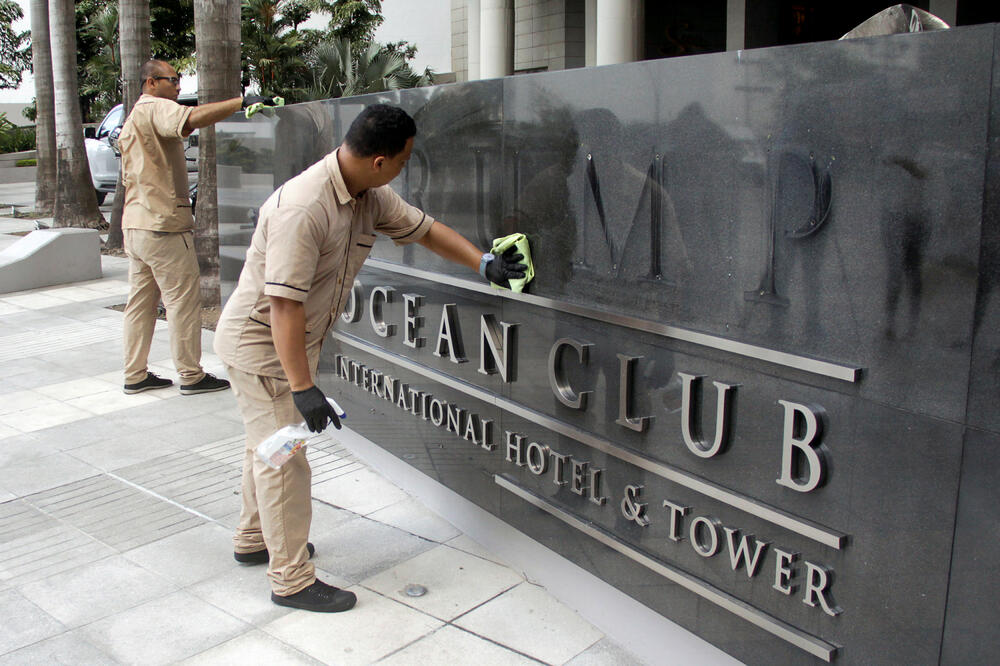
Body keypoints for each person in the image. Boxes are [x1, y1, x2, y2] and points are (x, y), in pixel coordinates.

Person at [213, 103, 526, 612]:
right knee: (285, 460)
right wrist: (301, 386)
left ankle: (254, 538)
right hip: (263, 347)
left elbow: (424, 229)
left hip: (284, 346)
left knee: (265, 448)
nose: (405, 167)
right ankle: (291, 579)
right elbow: (284, 306)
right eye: (403, 159)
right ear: (378, 159)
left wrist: (483, 262)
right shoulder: (305, 206)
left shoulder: (366, 194)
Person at [119, 59, 274, 396]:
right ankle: (190, 375)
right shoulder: (155, 107)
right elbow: (191, 119)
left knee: (140, 304)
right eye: (172, 79)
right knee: (182, 302)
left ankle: (135, 373)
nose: (177, 86)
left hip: (136, 224)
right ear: (150, 83)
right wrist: (240, 103)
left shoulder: (134, 117)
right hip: (163, 227)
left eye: (178, 79)